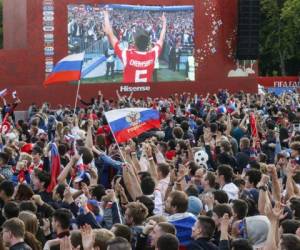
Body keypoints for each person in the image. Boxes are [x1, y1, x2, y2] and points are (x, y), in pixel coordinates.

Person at [102, 10, 167, 83]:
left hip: (129, 92)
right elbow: (161, 39)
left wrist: (106, 14)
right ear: (148, 43)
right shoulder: (153, 54)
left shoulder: (127, 55)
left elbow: (111, 35)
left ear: (135, 43)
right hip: (145, 91)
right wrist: (164, 23)